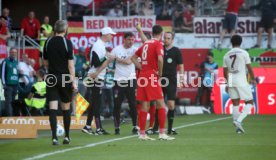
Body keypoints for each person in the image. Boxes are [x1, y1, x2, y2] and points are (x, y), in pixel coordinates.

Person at [131, 25, 175, 140]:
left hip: (142, 76)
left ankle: (142, 134)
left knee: (144, 105)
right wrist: (160, 73)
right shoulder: (157, 44)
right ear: (161, 33)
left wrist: (142, 68)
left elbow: (133, 58)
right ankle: (162, 133)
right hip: (151, 76)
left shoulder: (146, 43)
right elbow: (160, 59)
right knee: (161, 104)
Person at [43, 20, 77, 145]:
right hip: (64, 78)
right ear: (66, 29)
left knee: (52, 108)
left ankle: (54, 137)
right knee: (65, 108)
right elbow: (71, 66)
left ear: (55, 29)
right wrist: (73, 81)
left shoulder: (48, 42)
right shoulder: (67, 43)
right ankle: (67, 136)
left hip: (51, 77)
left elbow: (45, 63)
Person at [82, 27, 116, 135]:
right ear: (105, 34)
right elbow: (96, 63)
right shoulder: (98, 45)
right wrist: (107, 58)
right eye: (111, 34)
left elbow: (99, 62)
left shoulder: (100, 45)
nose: (112, 36)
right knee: (96, 102)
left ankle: (88, 126)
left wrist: (107, 58)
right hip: (95, 76)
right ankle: (98, 128)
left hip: (97, 75)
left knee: (94, 101)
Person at [223, 34, 256, 134]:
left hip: (231, 79)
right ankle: (238, 121)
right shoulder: (244, 53)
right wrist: (253, 78)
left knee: (235, 103)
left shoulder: (226, 55)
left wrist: (227, 83)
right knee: (250, 103)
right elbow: (249, 68)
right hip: (241, 79)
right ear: (241, 42)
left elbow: (225, 72)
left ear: (231, 43)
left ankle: (238, 129)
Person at [111, 32, 138, 135]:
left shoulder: (135, 50)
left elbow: (128, 62)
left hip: (131, 80)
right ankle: (117, 127)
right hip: (119, 80)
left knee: (133, 104)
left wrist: (116, 58)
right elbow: (109, 59)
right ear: (124, 40)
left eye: (132, 40)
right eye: (129, 39)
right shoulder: (117, 49)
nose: (131, 42)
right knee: (117, 105)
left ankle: (135, 126)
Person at [1, 47, 19, 116]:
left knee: (13, 102)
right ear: (9, 53)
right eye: (12, 52)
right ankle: (9, 118)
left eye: (15, 52)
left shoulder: (16, 62)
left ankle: (13, 117)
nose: (14, 54)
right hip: (8, 85)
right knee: (8, 102)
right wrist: (4, 84)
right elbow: (2, 73)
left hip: (15, 85)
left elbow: (17, 74)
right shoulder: (5, 61)